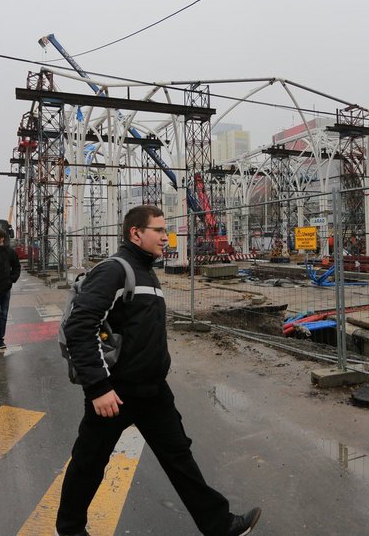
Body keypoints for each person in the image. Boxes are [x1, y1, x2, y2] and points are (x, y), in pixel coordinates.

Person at [56, 205, 261, 536]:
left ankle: (220, 525)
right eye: (159, 230)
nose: (166, 237)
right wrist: (97, 388)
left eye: (166, 231)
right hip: (115, 392)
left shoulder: (148, 271)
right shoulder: (115, 270)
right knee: (89, 462)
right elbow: (80, 326)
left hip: (152, 391)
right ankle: (68, 529)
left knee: (179, 456)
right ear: (136, 233)